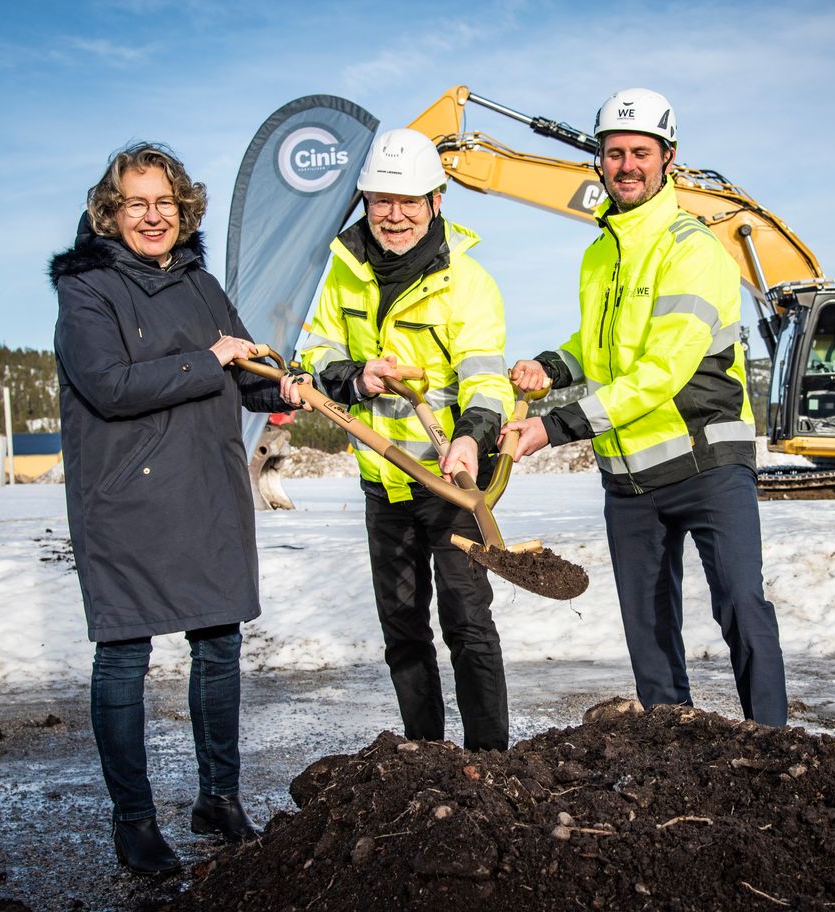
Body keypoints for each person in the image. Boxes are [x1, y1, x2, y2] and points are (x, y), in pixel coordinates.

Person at [503, 89, 787, 727]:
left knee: (741, 602)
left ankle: (774, 748)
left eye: (640, 152)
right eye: (614, 153)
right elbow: (602, 343)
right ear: (598, 163)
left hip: (707, 462)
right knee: (648, 625)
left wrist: (555, 427)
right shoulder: (600, 251)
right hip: (630, 476)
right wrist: (552, 367)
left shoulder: (693, 249)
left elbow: (661, 370)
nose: (626, 165)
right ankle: (672, 748)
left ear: (668, 159)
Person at [50, 142, 297, 874]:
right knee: (124, 653)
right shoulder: (87, 289)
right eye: (137, 203)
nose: (153, 216)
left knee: (218, 647)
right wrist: (211, 360)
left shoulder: (200, 283)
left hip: (209, 490)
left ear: (183, 209)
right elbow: (108, 386)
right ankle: (134, 822)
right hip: (126, 496)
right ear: (110, 210)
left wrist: (283, 383)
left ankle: (218, 798)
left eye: (166, 202)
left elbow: (244, 370)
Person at [288, 128, 514, 751]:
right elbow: (317, 351)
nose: (394, 215)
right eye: (380, 200)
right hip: (383, 484)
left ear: (436, 201)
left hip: (451, 483)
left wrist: (471, 438)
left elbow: (486, 378)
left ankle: (490, 760)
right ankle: (425, 754)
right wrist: (356, 376)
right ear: (364, 203)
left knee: (467, 624)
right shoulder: (343, 274)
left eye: (408, 200)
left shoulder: (470, 284)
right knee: (403, 630)